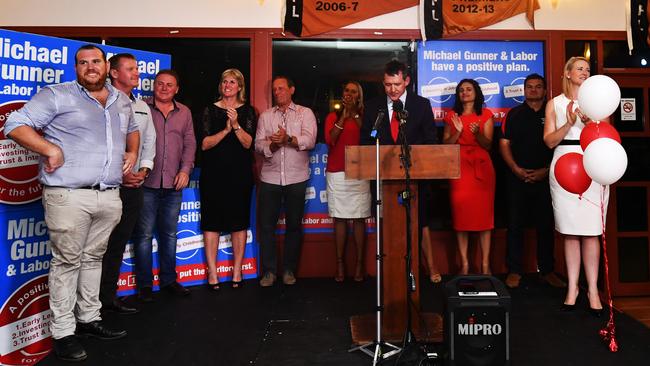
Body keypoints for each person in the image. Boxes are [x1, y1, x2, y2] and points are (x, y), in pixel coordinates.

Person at [5, 44, 139, 362]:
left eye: (95, 62)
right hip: (68, 195)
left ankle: (89, 319)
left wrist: (132, 151)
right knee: (66, 262)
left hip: (108, 195)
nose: (90, 67)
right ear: (75, 67)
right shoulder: (57, 94)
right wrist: (49, 149)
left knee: (94, 258)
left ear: (106, 66)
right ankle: (64, 332)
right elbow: (13, 124)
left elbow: (132, 130)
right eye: (83, 63)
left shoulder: (121, 99)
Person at [359, 60, 438, 282]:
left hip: (415, 178)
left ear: (406, 81)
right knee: (387, 224)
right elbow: (365, 140)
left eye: (396, 84)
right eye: (387, 85)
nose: (392, 90)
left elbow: (431, 140)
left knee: (418, 222)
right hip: (383, 179)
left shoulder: (421, 105)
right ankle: (390, 271)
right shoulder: (374, 107)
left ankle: (426, 267)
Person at [543, 57, 607, 316]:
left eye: (588, 69)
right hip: (563, 165)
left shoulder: (600, 103)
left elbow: (608, 138)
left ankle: (592, 289)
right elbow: (548, 141)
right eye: (579, 68)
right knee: (570, 231)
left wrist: (590, 122)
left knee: (591, 231)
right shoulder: (554, 104)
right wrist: (569, 123)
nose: (584, 72)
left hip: (593, 162)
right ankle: (572, 288)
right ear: (567, 73)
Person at [99, 53, 157, 314]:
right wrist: (119, 174)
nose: (137, 73)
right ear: (113, 72)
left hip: (134, 186)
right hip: (106, 186)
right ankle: (90, 306)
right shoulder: (100, 100)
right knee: (99, 246)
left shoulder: (142, 105)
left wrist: (143, 171)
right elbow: (98, 145)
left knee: (119, 243)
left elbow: (148, 142)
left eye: (137, 69)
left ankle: (107, 299)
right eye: (131, 69)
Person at [132, 69, 196, 301]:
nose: (165, 88)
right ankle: (145, 285)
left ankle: (169, 280)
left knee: (169, 235)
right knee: (144, 235)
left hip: (173, 183)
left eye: (170, 85)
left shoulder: (185, 112)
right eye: (160, 84)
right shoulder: (140, 107)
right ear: (154, 86)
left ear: (177, 89)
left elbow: (190, 144)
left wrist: (185, 170)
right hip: (146, 182)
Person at [500, 74, 566, 289]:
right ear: (524, 90)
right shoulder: (515, 114)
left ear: (545, 90)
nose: (534, 90)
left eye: (538, 87)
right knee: (515, 224)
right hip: (517, 177)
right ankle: (514, 271)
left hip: (546, 178)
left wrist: (545, 172)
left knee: (545, 226)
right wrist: (516, 169)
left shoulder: (553, 113)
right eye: (529, 87)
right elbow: (504, 144)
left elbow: (560, 146)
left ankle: (547, 270)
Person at [255, 75, 317, 287]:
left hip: (296, 178)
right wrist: (272, 145)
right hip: (270, 178)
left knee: (293, 227)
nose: (277, 92)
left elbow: (310, 140)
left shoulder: (305, 113)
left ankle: (289, 270)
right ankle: (269, 272)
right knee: (266, 226)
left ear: (292, 89)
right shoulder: (265, 116)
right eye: (275, 89)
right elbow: (258, 144)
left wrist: (288, 139)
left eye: (282, 88)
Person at [199, 68, 257, 290]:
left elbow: (247, 143)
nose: (227, 85)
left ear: (240, 87)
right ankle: (212, 274)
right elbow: (204, 144)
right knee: (211, 223)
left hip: (239, 176)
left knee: (238, 223)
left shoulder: (248, 111)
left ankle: (237, 272)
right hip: (213, 175)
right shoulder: (209, 110)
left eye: (232, 82)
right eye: (224, 81)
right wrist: (225, 130)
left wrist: (236, 125)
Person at [443, 78, 495, 275]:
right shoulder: (451, 116)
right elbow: (445, 145)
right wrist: (457, 132)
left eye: (469, 89)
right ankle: (464, 264)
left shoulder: (486, 115)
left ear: (476, 92)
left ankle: (484, 264)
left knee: (484, 219)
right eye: (461, 90)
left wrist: (477, 133)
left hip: (481, 168)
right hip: (459, 168)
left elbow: (488, 144)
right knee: (461, 216)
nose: (464, 92)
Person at [324, 81, 371, 282]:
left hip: (360, 171)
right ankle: (340, 264)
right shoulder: (333, 116)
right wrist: (344, 116)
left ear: (359, 96)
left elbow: (369, 137)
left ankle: (360, 264)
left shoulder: (364, 116)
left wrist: (355, 115)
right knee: (340, 219)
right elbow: (330, 140)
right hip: (337, 172)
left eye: (354, 92)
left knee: (360, 218)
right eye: (347, 91)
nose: (349, 94)